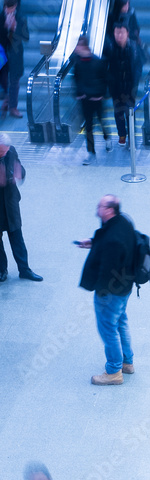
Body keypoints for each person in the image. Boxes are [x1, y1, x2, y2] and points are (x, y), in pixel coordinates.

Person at [78, 194, 137, 385]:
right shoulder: (123, 222)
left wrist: (100, 292)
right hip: (125, 287)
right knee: (120, 322)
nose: (97, 208)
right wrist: (93, 242)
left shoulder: (113, 238)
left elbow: (107, 268)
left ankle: (113, 371)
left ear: (110, 210)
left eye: (101, 206)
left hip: (111, 292)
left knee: (108, 328)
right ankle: (127, 362)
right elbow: (112, 243)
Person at [0, 133, 41, 282]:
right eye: (1, 151)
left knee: (17, 237)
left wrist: (20, 173)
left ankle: (24, 269)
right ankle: (1, 270)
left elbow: (19, 167)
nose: (4, 154)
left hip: (10, 203)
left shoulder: (11, 151)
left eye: (5, 151)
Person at [73, 36, 113, 165]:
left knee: (101, 121)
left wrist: (102, 95)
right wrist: (79, 94)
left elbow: (105, 79)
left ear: (84, 47)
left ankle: (107, 138)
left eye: (78, 46)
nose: (76, 49)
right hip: (85, 99)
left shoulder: (97, 61)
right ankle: (91, 152)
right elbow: (77, 78)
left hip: (97, 98)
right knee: (88, 126)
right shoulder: (78, 62)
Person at [107, 22, 142, 145]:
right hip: (116, 87)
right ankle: (122, 134)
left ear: (127, 33)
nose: (119, 35)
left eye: (122, 33)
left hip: (130, 87)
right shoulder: (110, 47)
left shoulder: (134, 47)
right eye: (117, 33)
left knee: (130, 111)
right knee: (118, 112)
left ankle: (131, 135)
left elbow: (138, 66)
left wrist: (135, 83)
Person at [0, 0, 28, 118]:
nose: (9, 11)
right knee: (4, 79)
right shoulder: (1, 17)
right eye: (7, 9)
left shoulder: (21, 18)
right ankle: (7, 99)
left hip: (15, 54)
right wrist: (5, 27)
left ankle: (13, 107)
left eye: (11, 8)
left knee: (14, 81)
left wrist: (14, 28)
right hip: (2, 53)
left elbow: (26, 37)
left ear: (15, 6)